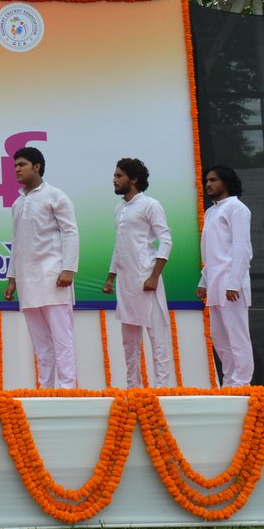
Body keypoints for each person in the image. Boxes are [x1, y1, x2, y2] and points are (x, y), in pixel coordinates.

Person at [4, 147, 79, 389]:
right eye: (15, 165)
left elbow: (70, 232)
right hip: (27, 281)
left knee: (62, 339)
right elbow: (17, 243)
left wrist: (68, 269)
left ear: (37, 167)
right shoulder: (18, 203)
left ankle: (67, 390)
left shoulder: (55, 196)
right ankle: (45, 390)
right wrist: (12, 278)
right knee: (40, 343)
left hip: (53, 276)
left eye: (22, 165)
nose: (16, 169)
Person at [102, 158, 175, 389]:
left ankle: (162, 390)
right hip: (126, 283)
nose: (114, 180)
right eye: (115, 175)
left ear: (133, 179)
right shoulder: (119, 208)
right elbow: (119, 245)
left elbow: (166, 240)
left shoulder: (151, 205)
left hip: (146, 279)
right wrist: (111, 277)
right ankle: (133, 389)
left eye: (119, 176)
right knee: (129, 342)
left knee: (157, 338)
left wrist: (154, 276)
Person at [197, 165, 254, 387]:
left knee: (237, 336)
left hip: (232, 284)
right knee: (220, 339)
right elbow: (210, 253)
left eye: (213, 180)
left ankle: (243, 382)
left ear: (226, 182)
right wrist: (203, 281)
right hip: (215, 282)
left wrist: (234, 283)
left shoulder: (237, 209)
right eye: (206, 180)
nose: (208, 184)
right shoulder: (211, 212)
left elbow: (242, 248)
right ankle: (229, 382)